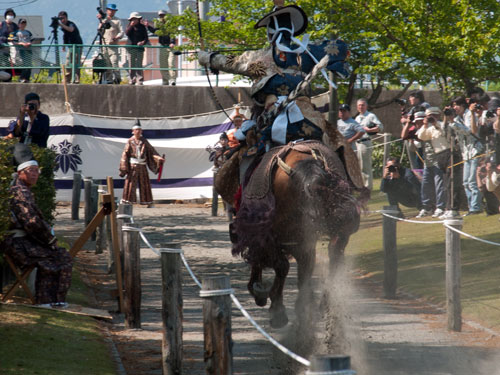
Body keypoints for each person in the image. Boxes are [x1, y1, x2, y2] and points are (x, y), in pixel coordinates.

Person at [2, 143, 72, 307]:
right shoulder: (19, 191)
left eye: (37, 171)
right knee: (59, 256)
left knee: (60, 255)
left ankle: (53, 300)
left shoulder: (23, 189)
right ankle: (47, 300)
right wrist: (49, 239)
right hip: (16, 244)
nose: (35, 175)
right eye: (31, 171)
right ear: (21, 173)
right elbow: (31, 222)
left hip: (22, 241)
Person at [449, 95, 484, 216]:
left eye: (456, 105)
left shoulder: (470, 114)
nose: (455, 108)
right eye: (453, 106)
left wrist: (453, 123)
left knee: (472, 181)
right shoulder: (457, 118)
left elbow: (471, 131)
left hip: (475, 150)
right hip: (466, 153)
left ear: (463, 105)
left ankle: (475, 207)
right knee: (465, 182)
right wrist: (449, 120)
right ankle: (471, 207)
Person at [119, 120, 165, 206]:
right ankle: (127, 201)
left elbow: (152, 151)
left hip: (142, 165)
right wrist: (124, 167)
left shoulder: (144, 141)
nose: (138, 131)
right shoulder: (130, 141)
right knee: (130, 183)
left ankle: (148, 202)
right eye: (137, 130)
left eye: (140, 130)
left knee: (145, 184)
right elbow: (125, 154)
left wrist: (159, 158)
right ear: (133, 131)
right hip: (133, 166)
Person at [415, 108, 450, 218]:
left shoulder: (441, 125)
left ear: (438, 115)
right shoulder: (427, 128)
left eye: (433, 115)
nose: (431, 117)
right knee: (426, 185)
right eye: (429, 116)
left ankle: (440, 207)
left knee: (439, 184)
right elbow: (421, 136)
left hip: (440, 159)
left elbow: (445, 133)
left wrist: (435, 124)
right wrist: (425, 125)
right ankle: (427, 207)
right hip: (428, 161)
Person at [355, 98, 384, 190]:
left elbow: (380, 127)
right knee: (359, 166)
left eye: (363, 105)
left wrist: (369, 130)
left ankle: (368, 187)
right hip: (357, 143)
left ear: (366, 106)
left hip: (365, 142)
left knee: (365, 166)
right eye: (359, 105)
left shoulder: (371, 116)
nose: (361, 107)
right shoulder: (357, 118)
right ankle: (361, 186)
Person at [145, 10, 176, 85]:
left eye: (163, 15)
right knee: (163, 65)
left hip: (170, 47)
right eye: (160, 16)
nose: (162, 17)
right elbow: (155, 31)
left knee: (171, 64)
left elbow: (172, 34)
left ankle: (172, 80)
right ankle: (165, 80)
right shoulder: (158, 24)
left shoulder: (170, 24)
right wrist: (148, 26)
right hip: (162, 46)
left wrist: (172, 42)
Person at [97, 3, 124, 84]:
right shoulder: (104, 20)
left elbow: (122, 32)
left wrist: (116, 37)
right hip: (104, 45)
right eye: (110, 10)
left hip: (113, 45)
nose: (112, 12)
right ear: (107, 11)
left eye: (113, 11)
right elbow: (99, 30)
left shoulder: (118, 21)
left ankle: (117, 78)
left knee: (114, 62)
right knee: (107, 64)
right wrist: (102, 20)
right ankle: (109, 79)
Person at [58, 11, 83, 84]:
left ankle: (76, 79)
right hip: (70, 46)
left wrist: (61, 25)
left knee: (76, 62)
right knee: (68, 62)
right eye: (60, 18)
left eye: (63, 18)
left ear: (66, 18)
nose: (62, 20)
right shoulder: (63, 27)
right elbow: (65, 35)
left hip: (77, 45)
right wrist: (64, 45)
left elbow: (70, 29)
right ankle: (67, 79)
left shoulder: (70, 24)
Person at [125, 12, 148, 85]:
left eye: (135, 19)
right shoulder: (129, 26)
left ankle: (140, 79)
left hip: (139, 48)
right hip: (131, 48)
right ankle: (132, 79)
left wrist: (142, 42)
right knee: (131, 64)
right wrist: (131, 26)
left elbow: (146, 38)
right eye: (132, 19)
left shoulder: (142, 27)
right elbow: (127, 33)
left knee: (139, 64)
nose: (134, 20)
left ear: (138, 19)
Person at [0, 8, 18, 81]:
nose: (10, 16)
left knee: (9, 64)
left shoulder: (15, 26)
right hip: (2, 46)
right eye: (9, 14)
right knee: (2, 61)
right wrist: (6, 39)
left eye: (11, 14)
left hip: (11, 46)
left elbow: (16, 35)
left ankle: (8, 78)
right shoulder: (2, 24)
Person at [13, 18, 32, 83]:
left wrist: (29, 43)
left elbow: (32, 40)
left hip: (28, 50)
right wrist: (22, 43)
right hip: (21, 51)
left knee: (29, 65)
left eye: (24, 23)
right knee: (25, 64)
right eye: (22, 23)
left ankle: (27, 78)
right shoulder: (16, 32)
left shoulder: (28, 32)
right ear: (19, 24)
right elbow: (14, 42)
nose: (23, 24)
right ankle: (22, 78)